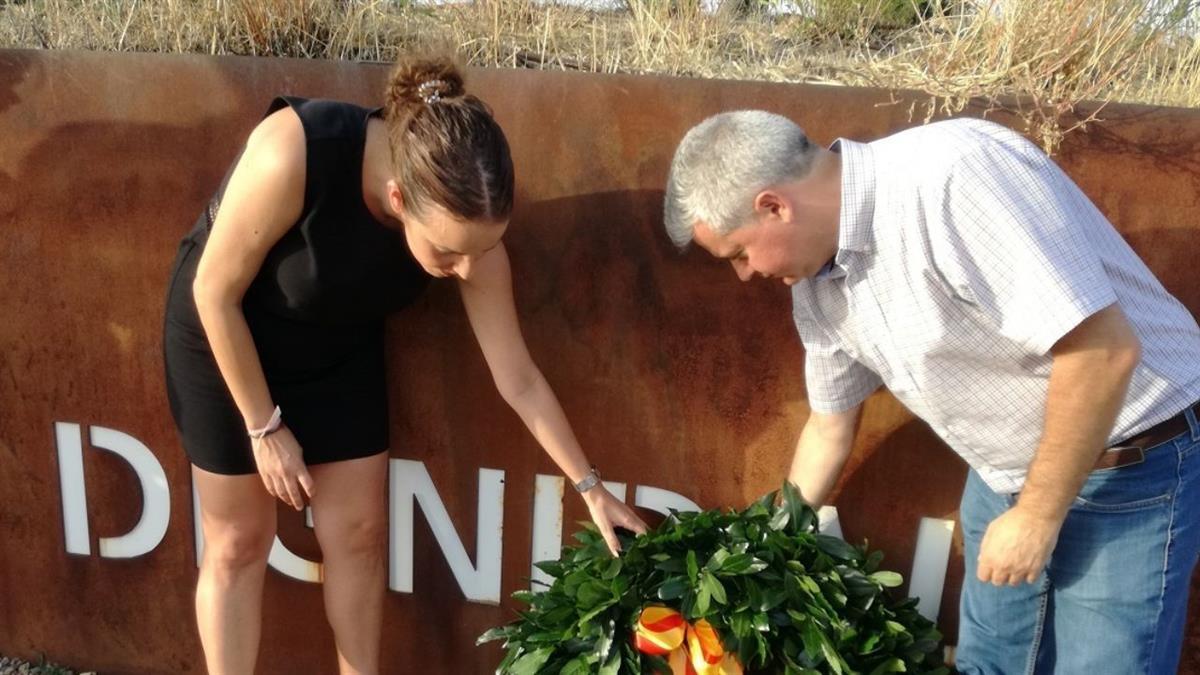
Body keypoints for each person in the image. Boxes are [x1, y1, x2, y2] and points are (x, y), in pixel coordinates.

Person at [662, 111, 1200, 674]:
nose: (745, 274)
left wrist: (1037, 516)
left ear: (774, 206)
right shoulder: (816, 281)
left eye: (739, 254)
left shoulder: (953, 179)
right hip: (1005, 477)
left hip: (1126, 467)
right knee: (989, 664)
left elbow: (1102, 352)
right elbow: (828, 427)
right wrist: (760, 556)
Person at [163, 56, 648, 675]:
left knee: (359, 536)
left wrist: (591, 488)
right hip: (229, 332)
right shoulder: (295, 151)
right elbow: (213, 292)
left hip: (339, 343)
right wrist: (264, 426)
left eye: (481, 249)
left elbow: (519, 377)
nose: (465, 269)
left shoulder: (471, 242)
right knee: (239, 542)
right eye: (448, 251)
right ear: (398, 198)